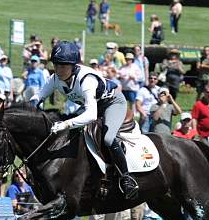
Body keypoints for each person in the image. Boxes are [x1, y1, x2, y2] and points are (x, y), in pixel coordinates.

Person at [30, 41, 139, 199]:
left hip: (111, 103)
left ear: (73, 66)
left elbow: (91, 115)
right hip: (91, 105)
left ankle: (127, 177)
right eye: (56, 65)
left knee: (108, 139)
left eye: (63, 65)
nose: (59, 69)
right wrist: (31, 105)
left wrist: (66, 124)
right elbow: (39, 95)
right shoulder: (55, 78)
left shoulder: (86, 79)